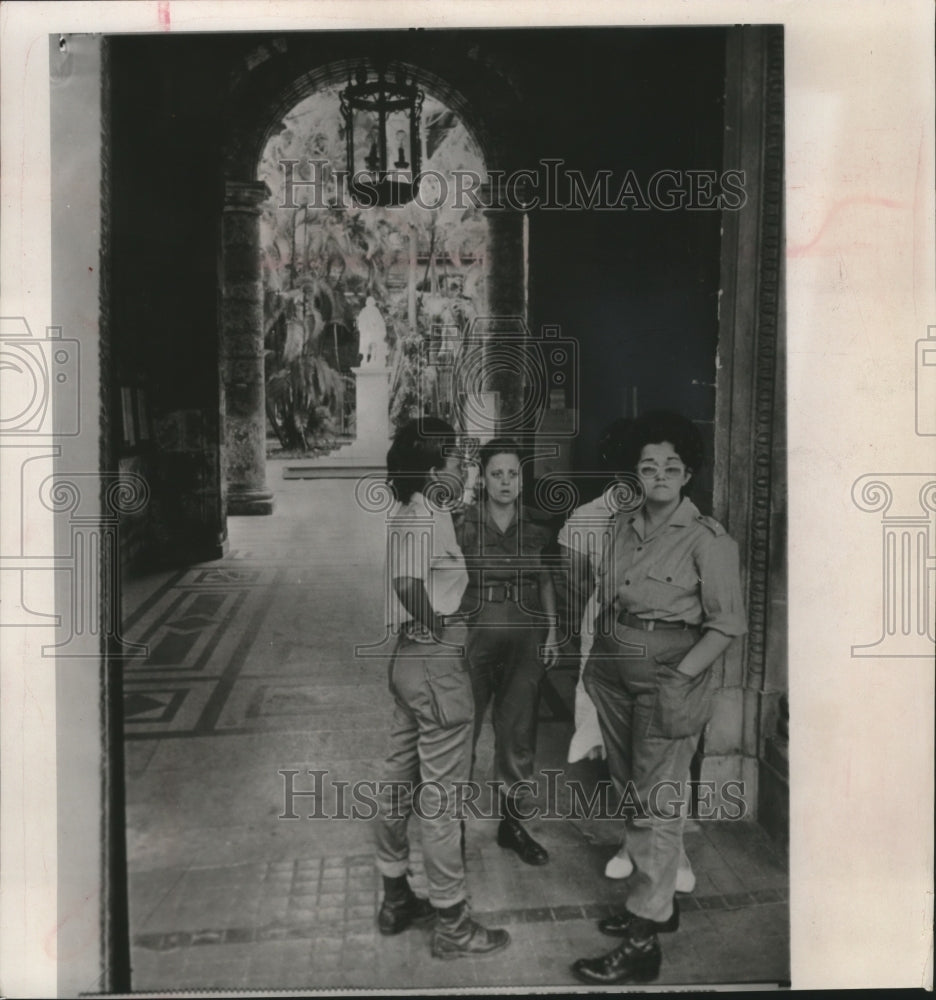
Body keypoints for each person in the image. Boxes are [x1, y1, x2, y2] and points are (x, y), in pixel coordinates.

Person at [570, 411, 747, 986]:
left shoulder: (709, 540)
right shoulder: (624, 526)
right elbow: (607, 594)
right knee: (633, 793)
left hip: (667, 684)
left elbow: (727, 625)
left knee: (656, 805)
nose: (660, 475)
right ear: (637, 474)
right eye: (649, 466)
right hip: (614, 677)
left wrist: (679, 676)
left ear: (688, 473)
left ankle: (643, 941)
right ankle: (659, 905)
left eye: (672, 466)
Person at [374, 417, 510, 960]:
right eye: (456, 459)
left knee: (397, 780)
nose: (465, 467)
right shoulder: (424, 517)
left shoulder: (416, 511)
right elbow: (408, 583)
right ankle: (453, 923)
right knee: (442, 799)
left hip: (408, 664)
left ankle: (395, 897)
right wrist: (436, 628)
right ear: (434, 471)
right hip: (434, 660)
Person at [456, 438, 559, 865]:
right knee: (462, 728)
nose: (505, 482)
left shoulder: (536, 525)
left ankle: (511, 824)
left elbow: (545, 579)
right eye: (496, 473)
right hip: (475, 635)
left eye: (512, 474)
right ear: (482, 477)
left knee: (518, 732)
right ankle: (453, 826)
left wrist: (552, 632)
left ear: (521, 479)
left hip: (525, 637)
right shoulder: (462, 523)